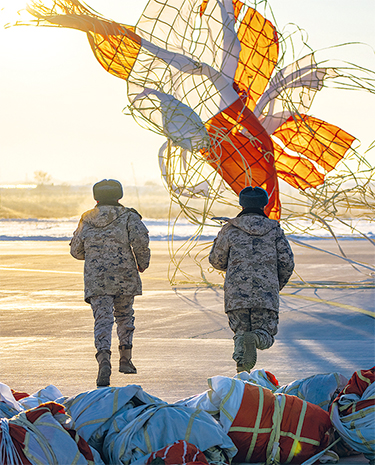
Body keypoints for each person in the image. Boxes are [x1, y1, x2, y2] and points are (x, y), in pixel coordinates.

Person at [70, 179, 150, 387]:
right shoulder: (128, 216)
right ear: (119, 196)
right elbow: (141, 241)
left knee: (102, 320)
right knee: (124, 316)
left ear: (96, 197)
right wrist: (142, 263)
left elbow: (76, 250)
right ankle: (126, 359)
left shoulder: (86, 219)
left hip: (97, 280)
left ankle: (104, 360)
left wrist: (95, 254)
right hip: (125, 277)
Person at [209, 186, 294, 373]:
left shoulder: (229, 229)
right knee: (265, 334)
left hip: (236, 295)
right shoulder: (275, 230)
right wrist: (274, 285)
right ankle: (254, 340)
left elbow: (216, 260)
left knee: (240, 334)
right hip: (266, 295)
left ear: (242, 204)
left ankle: (242, 374)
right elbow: (287, 262)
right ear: (264, 204)